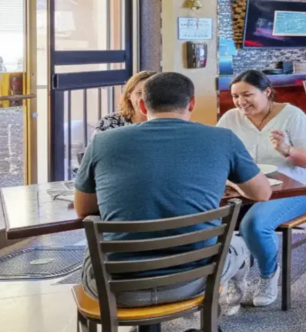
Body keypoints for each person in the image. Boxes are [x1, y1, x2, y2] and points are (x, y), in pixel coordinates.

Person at [74, 72, 271, 316]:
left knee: (93, 244)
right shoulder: (223, 139)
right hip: (194, 281)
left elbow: (84, 209)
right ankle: (225, 305)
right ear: (192, 104)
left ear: (143, 106)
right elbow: (262, 193)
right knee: (238, 244)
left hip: (116, 288)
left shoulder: (102, 142)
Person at [217, 69, 306, 307]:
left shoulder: (292, 116)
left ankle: (268, 274)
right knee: (211, 219)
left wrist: (287, 150)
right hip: (245, 190)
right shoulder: (231, 118)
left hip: (294, 191)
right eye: (235, 96)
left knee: (254, 225)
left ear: (267, 92)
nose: (241, 102)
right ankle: (234, 273)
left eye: (247, 95)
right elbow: (217, 153)